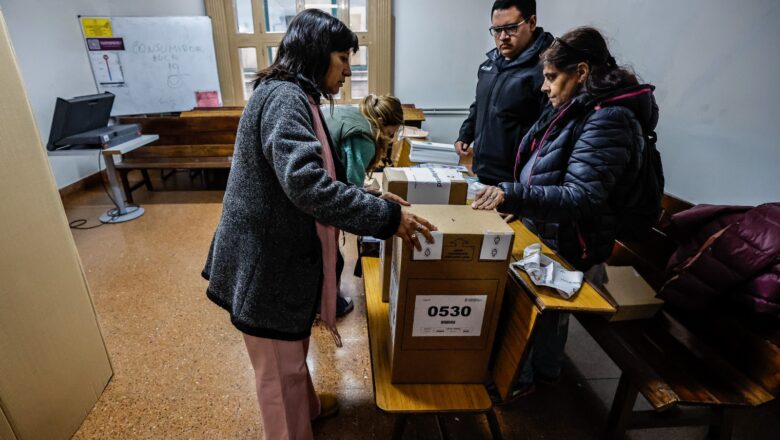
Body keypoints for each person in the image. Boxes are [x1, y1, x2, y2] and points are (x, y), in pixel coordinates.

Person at [201, 9, 436, 440]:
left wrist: (373, 197)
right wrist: (385, 217)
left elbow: (323, 176)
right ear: (315, 54)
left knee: (292, 351)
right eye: (343, 58)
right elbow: (307, 186)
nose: (348, 70)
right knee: (277, 371)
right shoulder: (285, 99)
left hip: (277, 257)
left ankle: (305, 408)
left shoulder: (296, 96)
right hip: (264, 266)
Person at [472, 26, 659, 399]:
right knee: (537, 315)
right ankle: (535, 374)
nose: (545, 86)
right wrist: (522, 206)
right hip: (549, 229)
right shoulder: (576, 108)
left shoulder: (610, 118)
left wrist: (512, 195)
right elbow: (548, 165)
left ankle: (527, 383)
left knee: (543, 315)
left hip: (575, 238)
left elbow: (582, 195)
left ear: (582, 72)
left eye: (551, 77)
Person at [455, 0, 554, 186]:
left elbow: (550, 135)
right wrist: (465, 134)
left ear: (531, 23)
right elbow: (480, 104)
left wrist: (526, 193)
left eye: (511, 28)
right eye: (496, 30)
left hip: (517, 181)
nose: (503, 37)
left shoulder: (547, 71)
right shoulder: (489, 65)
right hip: (482, 172)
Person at [322, 94, 405, 317]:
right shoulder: (365, 138)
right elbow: (349, 196)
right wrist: (379, 213)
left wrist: (370, 192)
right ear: (383, 123)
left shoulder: (355, 114)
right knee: (329, 256)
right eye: (391, 133)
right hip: (316, 193)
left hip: (309, 185)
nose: (390, 139)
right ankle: (329, 306)